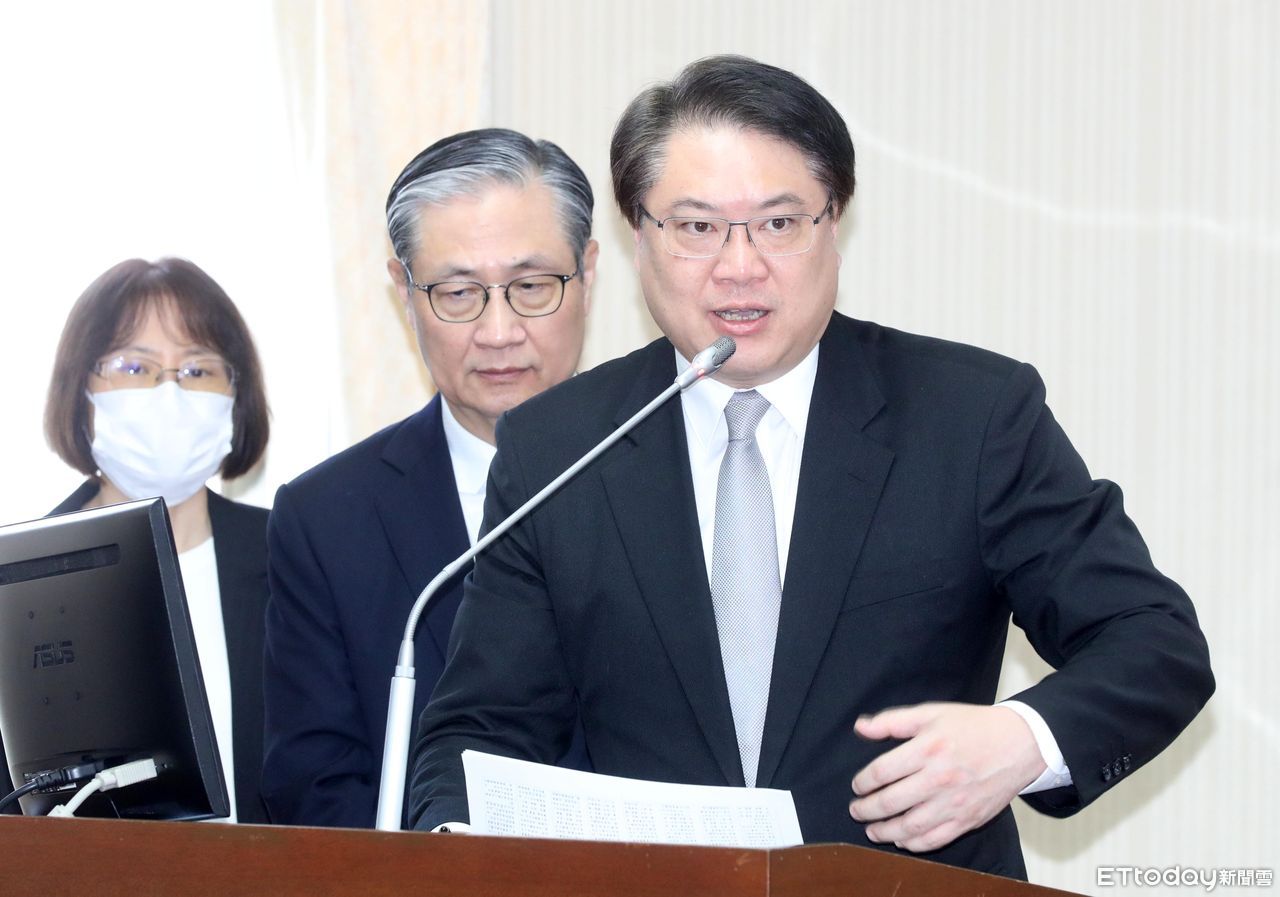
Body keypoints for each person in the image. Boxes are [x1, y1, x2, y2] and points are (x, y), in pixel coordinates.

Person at [409, 57, 1214, 880]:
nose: (739, 266)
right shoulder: (561, 447)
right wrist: (453, 850)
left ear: (835, 222)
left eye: (780, 222)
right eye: (696, 227)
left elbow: (1154, 641)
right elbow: (482, 727)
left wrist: (1021, 740)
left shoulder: (970, 417)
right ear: (636, 234)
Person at [262, 128, 598, 828]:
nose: (499, 331)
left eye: (532, 286)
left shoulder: (683, 472)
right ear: (404, 291)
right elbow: (315, 787)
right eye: (458, 292)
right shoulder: (327, 518)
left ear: (588, 273)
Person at [1, 257, 271, 822]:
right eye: (134, 366)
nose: (168, 392)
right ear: (80, 390)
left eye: (198, 370)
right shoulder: (16, 580)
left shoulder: (291, 558)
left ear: (236, 395)